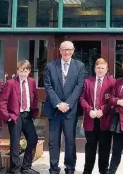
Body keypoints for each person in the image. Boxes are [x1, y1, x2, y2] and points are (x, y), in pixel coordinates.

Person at [44, 41, 85, 174]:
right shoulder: (50, 66)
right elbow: (48, 86)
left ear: (73, 50)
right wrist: (58, 103)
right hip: (54, 110)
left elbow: (79, 87)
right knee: (53, 141)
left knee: (70, 141)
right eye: (64, 50)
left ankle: (70, 167)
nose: (66, 52)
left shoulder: (79, 66)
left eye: (69, 50)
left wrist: (68, 103)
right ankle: (54, 168)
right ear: (60, 51)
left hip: (70, 110)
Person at [0, 60, 39, 174]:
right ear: (17, 71)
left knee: (33, 139)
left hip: (27, 115)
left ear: (29, 71)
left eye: (25, 71)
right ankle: (15, 169)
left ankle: (26, 167)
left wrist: (34, 112)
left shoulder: (32, 82)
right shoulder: (11, 83)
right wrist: (7, 116)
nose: (23, 73)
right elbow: (2, 101)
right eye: (21, 71)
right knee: (15, 143)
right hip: (15, 116)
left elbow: (35, 97)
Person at [79, 58, 115, 174]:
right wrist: (89, 110)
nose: (100, 70)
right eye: (98, 67)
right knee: (90, 147)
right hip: (91, 119)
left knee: (105, 148)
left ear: (107, 69)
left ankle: (103, 171)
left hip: (105, 120)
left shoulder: (112, 82)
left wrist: (103, 110)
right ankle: (87, 171)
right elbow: (82, 99)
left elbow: (112, 100)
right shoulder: (87, 82)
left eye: (102, 68)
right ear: (95, 69)